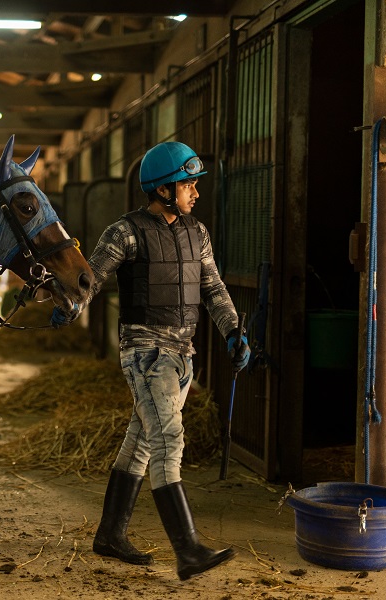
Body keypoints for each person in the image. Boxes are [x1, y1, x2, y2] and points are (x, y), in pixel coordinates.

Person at [50, 141, 250, 581]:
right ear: (162, 190)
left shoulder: (198, 233)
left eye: (195, 186)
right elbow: (93, 278)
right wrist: (69, 305)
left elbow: (213, 289)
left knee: (141, 441)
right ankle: (189, 550)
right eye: (188, 185)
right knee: (167, 442)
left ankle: (110, 534)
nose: (195, 193)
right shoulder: (124, 232)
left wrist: (233, 330)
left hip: (183, 355)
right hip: (146, 353)